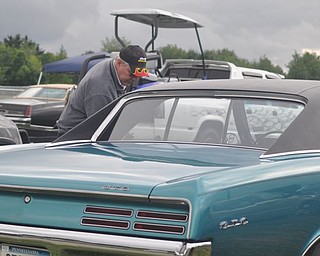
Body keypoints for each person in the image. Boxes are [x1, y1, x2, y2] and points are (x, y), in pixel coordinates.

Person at [56, 45, 148, 136]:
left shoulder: (112, 66)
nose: (135, 79)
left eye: (138, 75)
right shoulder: (100, 88)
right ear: (119, 63)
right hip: (73, 138)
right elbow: (102, 130)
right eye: (132, 74)